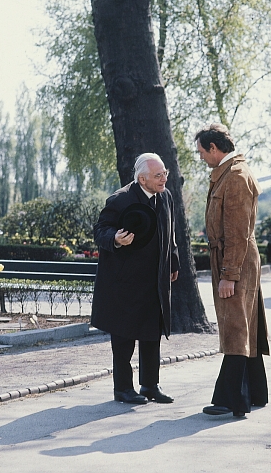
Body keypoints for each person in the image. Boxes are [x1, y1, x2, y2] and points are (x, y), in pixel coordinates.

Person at [91, 153, 180, 404]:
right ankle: (122, 389)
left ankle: (150, 385)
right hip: (125, 282)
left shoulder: (166, 197)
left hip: (155, 280)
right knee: (123, 336)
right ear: (142, 179)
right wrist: (115, 238)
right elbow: (100, 230)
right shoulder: (120, 200)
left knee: (152, 333)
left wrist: (173, 261)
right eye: (158, 175)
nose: (164, 179)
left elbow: (170, 232)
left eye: (165, 174)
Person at [195, 123, 269, 417]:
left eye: (202, 151)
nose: (200, 157)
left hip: (233, 259)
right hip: (232, 258)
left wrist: (229, 275)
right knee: (244, 324)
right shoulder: (230, 173)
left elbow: (237, 232)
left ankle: (230, 400)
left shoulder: (235, 177)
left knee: (236, 327)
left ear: (214, 148)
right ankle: (256, 393)